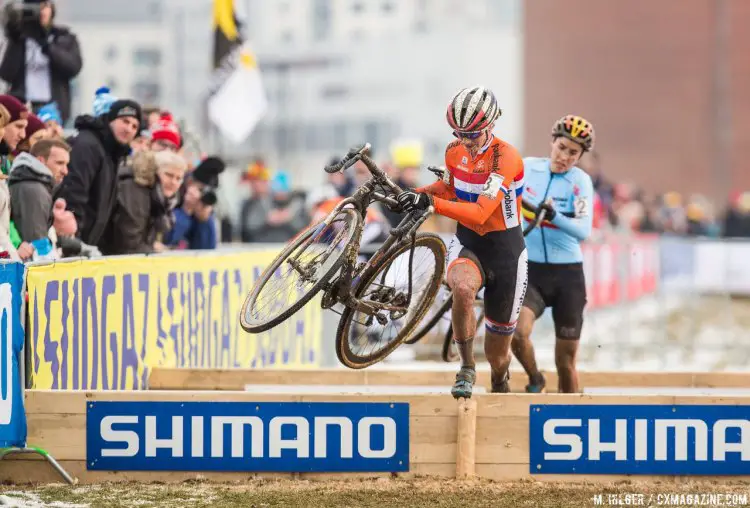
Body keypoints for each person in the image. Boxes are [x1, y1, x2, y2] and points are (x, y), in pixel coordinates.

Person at [396, 86, 527, 399]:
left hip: (506, 251)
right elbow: (448, 186)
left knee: (497, 355)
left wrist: (432, 205)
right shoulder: (454, 151)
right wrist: (420, 194)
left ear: (490, 126)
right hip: (469, 242)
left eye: (473, 134)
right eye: (459, 132)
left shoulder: (504, 157)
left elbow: (482, 212)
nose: (465, 141)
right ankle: (467, 367)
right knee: (463, 288)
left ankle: (499, 378)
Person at [510, 115, 596, 394]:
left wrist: (553, 215)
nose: (565, 157)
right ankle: (535, 379)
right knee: (518, 334)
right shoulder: (528, 168)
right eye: (561, 148)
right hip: (532, 271)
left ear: (581, 155)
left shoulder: (580, 182)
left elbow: (583, 231)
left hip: (567, 276)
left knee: (565, 361)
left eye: (573, 153)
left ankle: (571, 416)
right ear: (552, 143)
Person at [55, 98, 141, 247]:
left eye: (134, 126)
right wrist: (74, 241)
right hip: (70, 241)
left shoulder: (112, 152)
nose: (129, 129)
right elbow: (73, 193)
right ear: (111, 120)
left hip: (86, 243)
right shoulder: (88, 145)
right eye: (125, 121)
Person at [0, 0, 82, 123]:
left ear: (52, 9)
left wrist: (45, 45)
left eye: (44, 6)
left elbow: (73, 68)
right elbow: (7, 74)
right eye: (33, 7)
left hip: (53, 107)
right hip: (23, 105)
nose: (39, 11)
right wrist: (14, 39)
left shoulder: (64, 37)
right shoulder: (19, 39)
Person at [8, 138, 76, 260]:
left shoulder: (34, 184)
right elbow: (36, 242)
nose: (65, 171)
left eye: (66, 164)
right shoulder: (33, 189)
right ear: (41, 160)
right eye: (60, 163)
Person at [108, 150, 185, 254]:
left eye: (178, 178)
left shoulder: (160, 198)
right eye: (169, 175)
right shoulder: (135, 190)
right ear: (155, 172)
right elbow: (130, 243)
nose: (173, 182)